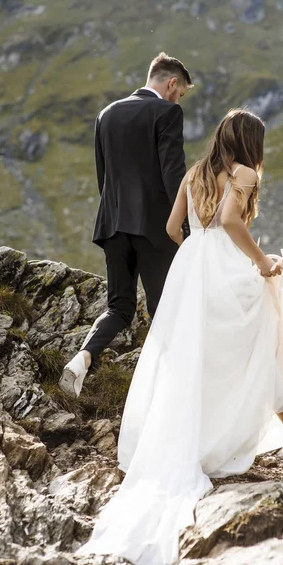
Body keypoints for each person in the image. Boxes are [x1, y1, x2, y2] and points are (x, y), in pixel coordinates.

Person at [76, 109, 283, 565]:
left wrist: (198, 252)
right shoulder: (246, 173)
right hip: (226, 268)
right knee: (255, 346)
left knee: (196, 360)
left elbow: (174, 228)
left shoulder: (194, 172)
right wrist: (262, 262)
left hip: (190, 270)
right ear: (251, 141)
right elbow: (234, 222)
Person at [59, 52, 192, 398]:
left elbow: (103, 179)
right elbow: (173, 174)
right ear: (171, 83)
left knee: (119, 307)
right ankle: (168, 393)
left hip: (113, 225)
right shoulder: (167, 112)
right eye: (180, 93)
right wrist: (186, 227)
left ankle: (82, 358)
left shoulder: (107, 114)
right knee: (163, 308)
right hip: (154, 228)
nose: (178, 99)